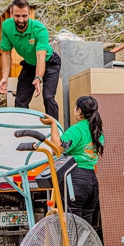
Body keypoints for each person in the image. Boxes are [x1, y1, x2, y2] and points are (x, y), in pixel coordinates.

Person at [40, 96, 104, 225]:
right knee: (85, 227)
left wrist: (53, 124)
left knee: (70, 226)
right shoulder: (97, 130)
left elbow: (57, 149)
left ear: (79, 111)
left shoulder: (77, 129)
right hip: (92, 182)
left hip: (75, 179)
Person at [0, 0, 61, 120]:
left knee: (48, 97)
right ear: (11, 13)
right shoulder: (6, 26)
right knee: (20, 100)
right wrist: (4, 77)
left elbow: (40, 56)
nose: (21, 20)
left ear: (29, 14)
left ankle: (55, 132)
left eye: (24, 16)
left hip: (49, 63)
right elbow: (5, 52)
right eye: (17, 16)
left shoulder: (39, 29)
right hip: (29, 65)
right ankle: (23, 130)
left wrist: (38, 77)